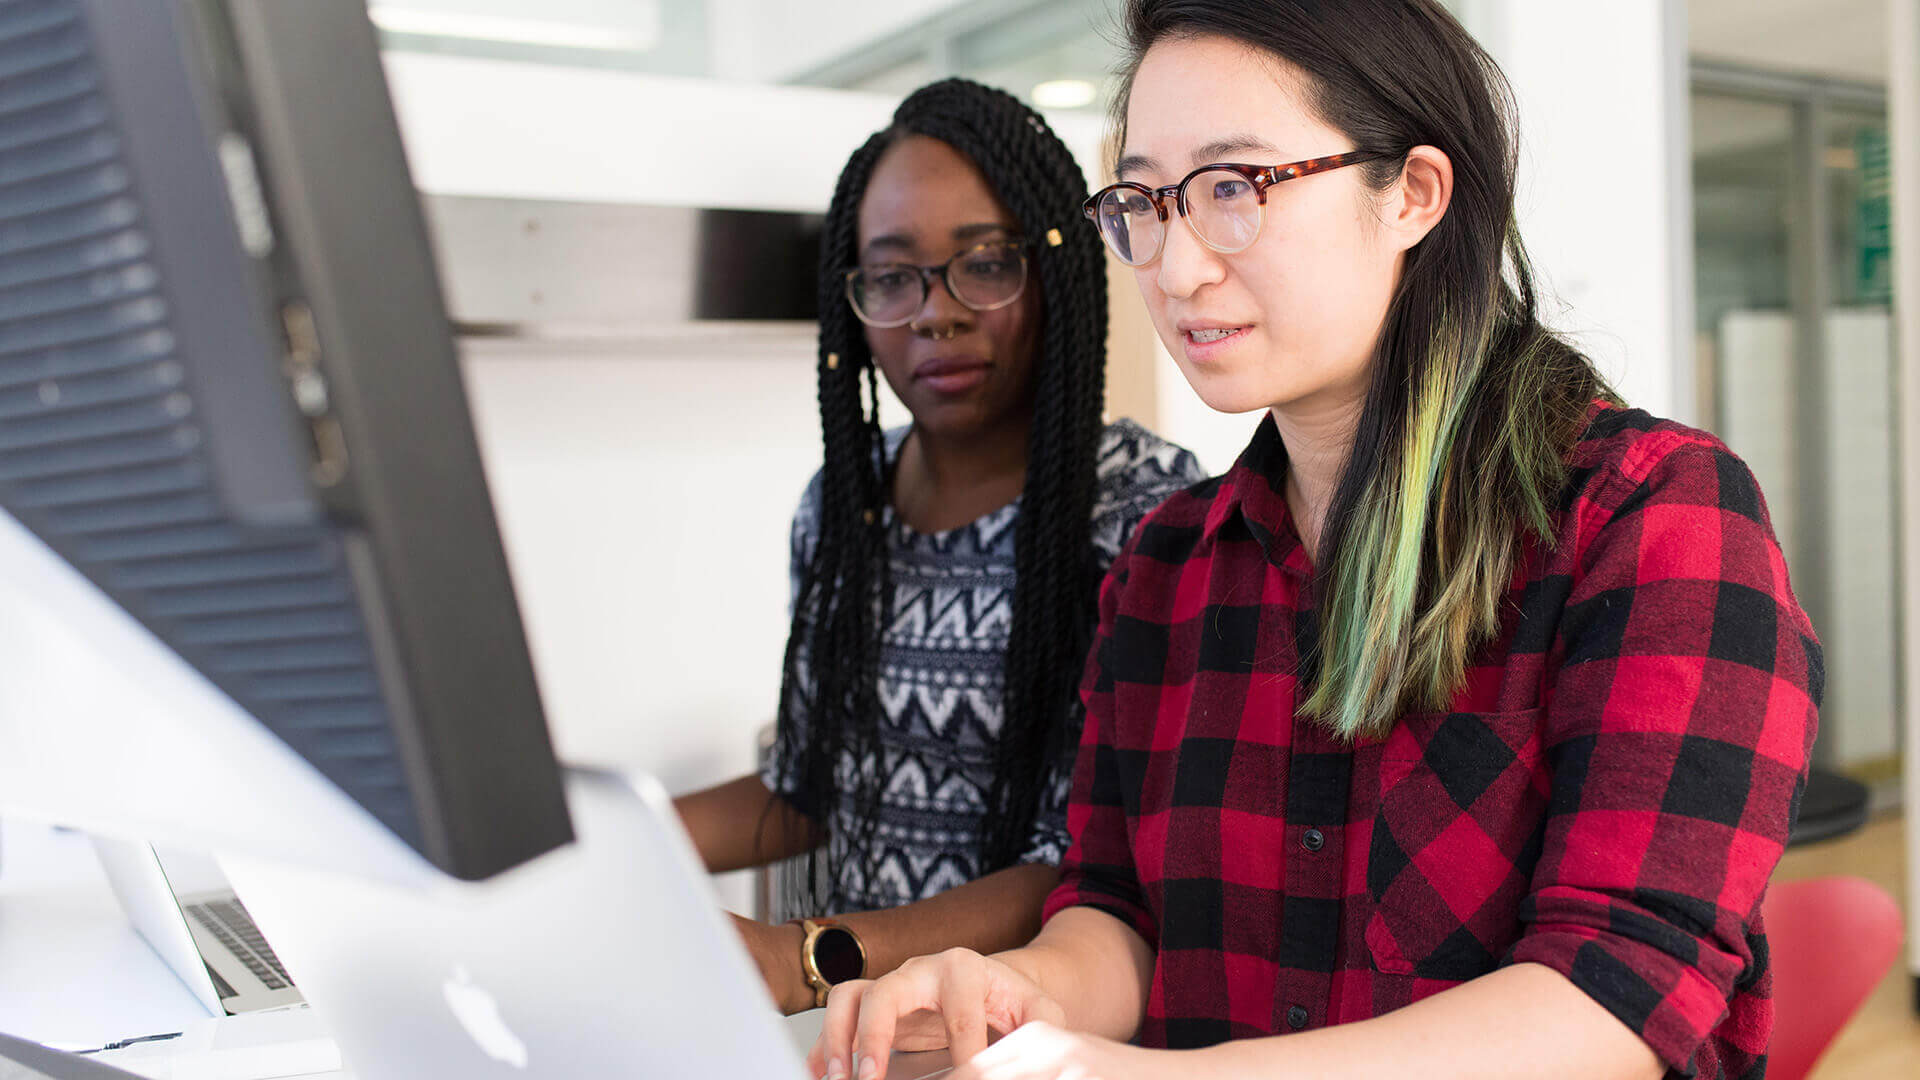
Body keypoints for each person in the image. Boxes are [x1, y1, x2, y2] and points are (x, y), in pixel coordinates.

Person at [807, 3, 1819, 1079]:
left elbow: (1612, 999)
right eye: (1145, 202)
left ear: (1415, 194)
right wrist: (1024, 991)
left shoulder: (1655, 518)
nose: (1177, 268)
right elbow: (1119, 914)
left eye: (1234, 189)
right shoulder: (1166, 563)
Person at [673, 78, 1204, 1016]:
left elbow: (1088, 863)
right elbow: (809, 783)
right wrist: (596, 844)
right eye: (892, 276)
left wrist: (808, 958)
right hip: (864, 1034)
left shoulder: (1143, 514)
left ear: (1055, 271)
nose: (936, 312)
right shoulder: (844, 507)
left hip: (1036, 1035)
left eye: (985, 264)